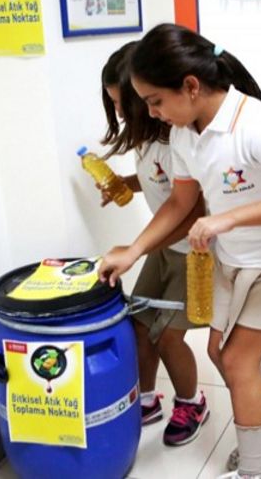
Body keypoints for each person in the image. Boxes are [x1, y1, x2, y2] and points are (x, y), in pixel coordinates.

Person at [99, 24, 261, 479]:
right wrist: (134, 249)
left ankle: (255, 470)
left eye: (154, 101)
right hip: (231, 258)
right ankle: (259, 417)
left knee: (239, 360)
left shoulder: (254, 124)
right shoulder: (184, 135)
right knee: (221, 353)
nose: (150, 113)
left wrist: (226, 218)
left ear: (190, 86)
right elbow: (181, 203)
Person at [100, 42, 209, 446]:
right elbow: (158, 186)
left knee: (168, 336)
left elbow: (190, 208)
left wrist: (136, 249)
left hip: (195, 255)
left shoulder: (177, 139)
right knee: (138, 325)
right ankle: (145, 401)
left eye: (123, 102)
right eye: (113, 104)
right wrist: (124, 185)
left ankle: (191, 402)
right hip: (162, 248)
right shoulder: (145, 136)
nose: (121, 113)